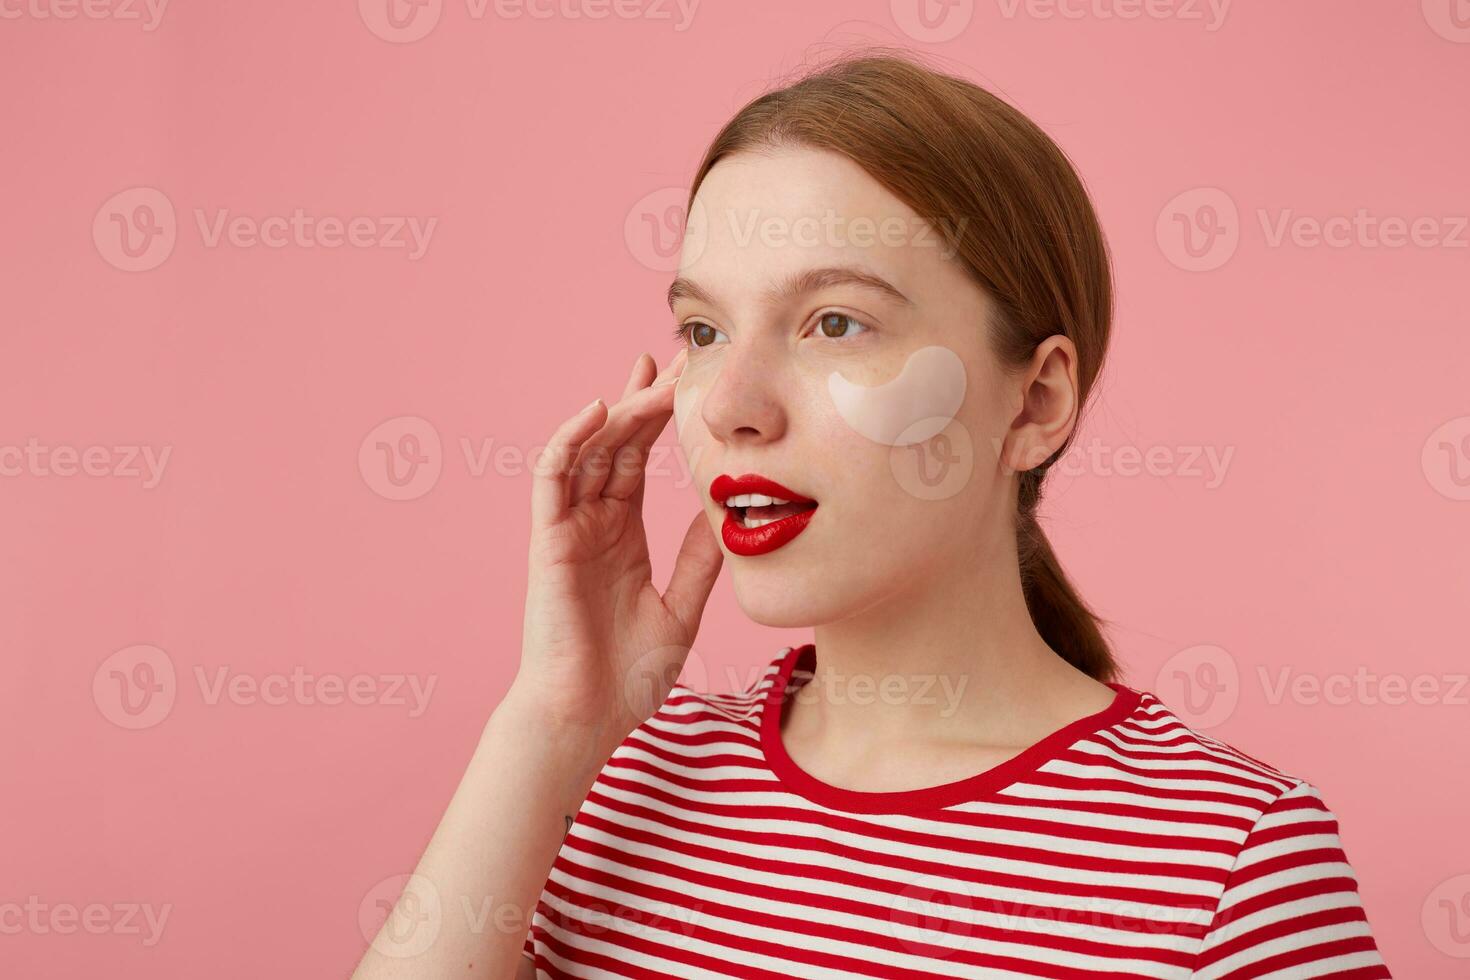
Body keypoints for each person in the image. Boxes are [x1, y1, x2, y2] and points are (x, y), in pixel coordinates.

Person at [352, 50, 1391, 979]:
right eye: (704, 329)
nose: (729, 406)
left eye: (834, 322)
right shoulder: (609, 782)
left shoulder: (1230, 865)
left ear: (1034, 402)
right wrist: (552, 722)